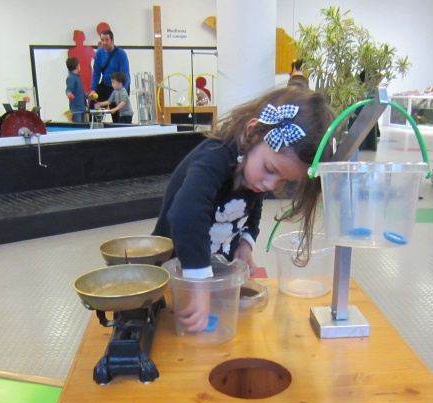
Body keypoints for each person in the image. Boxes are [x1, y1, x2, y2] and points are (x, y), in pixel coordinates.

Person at [152, 87, 335, 332]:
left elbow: (252, 207)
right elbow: (186, 213)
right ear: (252, 132)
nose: (270, 185)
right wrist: (199, 285)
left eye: (283, 181)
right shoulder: (214, 158)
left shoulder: (253, 172)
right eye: (270, 169)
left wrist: (245, 244)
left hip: (210, 278)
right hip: (175, 275)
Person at [90, 29, 130, 124]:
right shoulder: (99, 53)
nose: (104, 42)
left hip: (118, 88)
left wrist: (123, 92)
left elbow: (125, 74)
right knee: (94, 106)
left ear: (112, 40)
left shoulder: (121, 54)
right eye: (102, 40)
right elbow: (96, 72)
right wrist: (93, 89)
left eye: (107, 39)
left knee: (116, 114)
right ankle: (94, 130)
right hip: (105, 85)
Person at [65, 57, 87, 123]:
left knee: (85, 126)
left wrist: (88, 96)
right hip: (76, 108)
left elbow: (80, 92)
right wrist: (69, 93)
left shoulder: (77, 77)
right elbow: (69, 88)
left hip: (82, 107)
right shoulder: (71, 78)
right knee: (78, 126)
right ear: (77, 66)